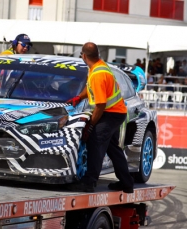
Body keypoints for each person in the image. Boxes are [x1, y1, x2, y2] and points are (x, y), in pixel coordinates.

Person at [66, 42, 134, 193]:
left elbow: (100, 105)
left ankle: (89, 182)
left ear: (83, 56)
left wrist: (90, 127)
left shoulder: (98, 73)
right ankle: (126, 183)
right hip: (117, 112)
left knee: (95, 141)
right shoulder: (98, 66)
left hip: (111, 113)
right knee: (112, 148)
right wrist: (79, 97)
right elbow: (90, 88)